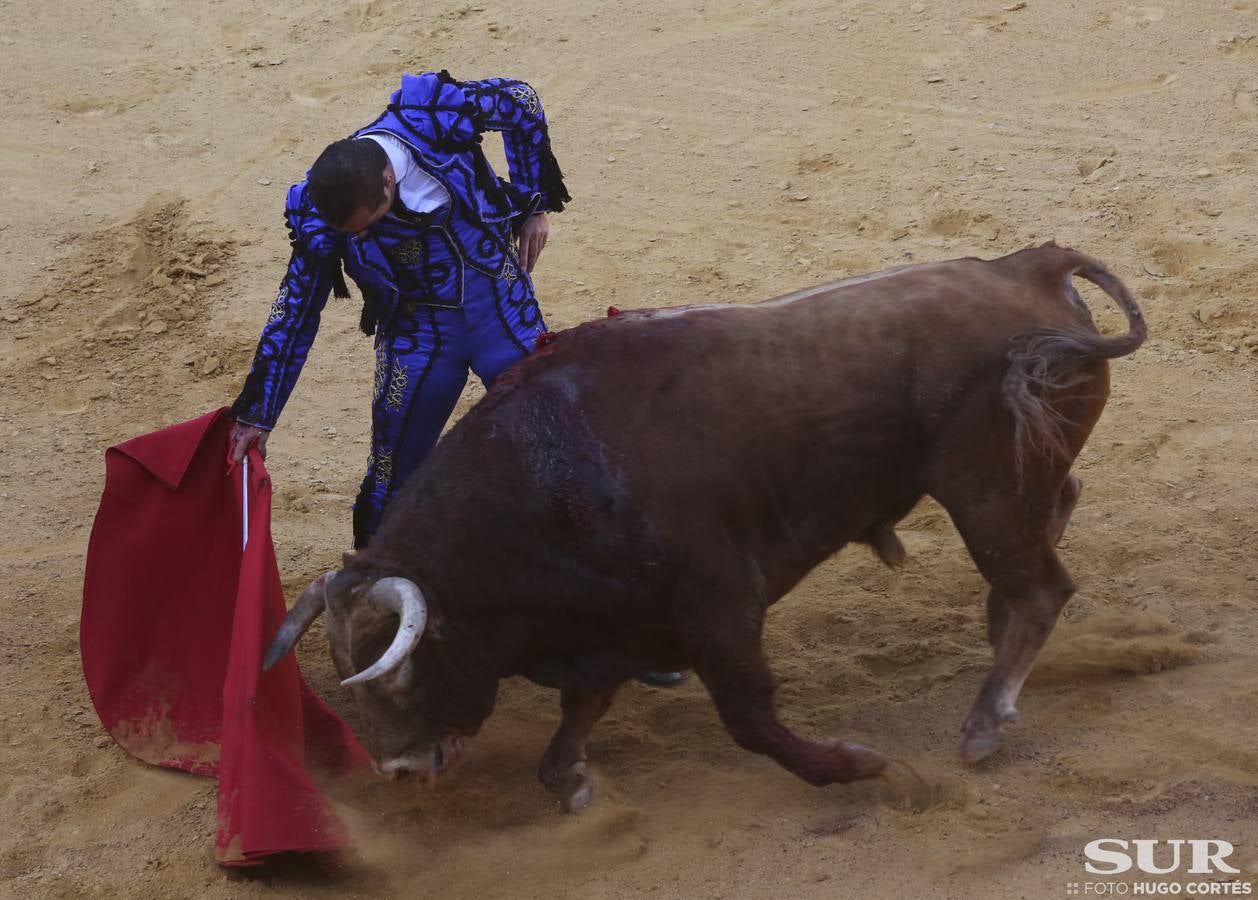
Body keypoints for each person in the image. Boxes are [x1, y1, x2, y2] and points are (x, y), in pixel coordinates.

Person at [228, 71, 568, 548]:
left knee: (556, 450)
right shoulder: (317, 206)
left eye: (368, 226)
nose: (360, 241)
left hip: (503, 312)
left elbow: (520, 100)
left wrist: (535, 203)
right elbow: (297, 307)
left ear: (387, 179)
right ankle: (377, 587)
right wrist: (257, 413)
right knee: (390, 478)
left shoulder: (431, 116)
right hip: (419, 337)